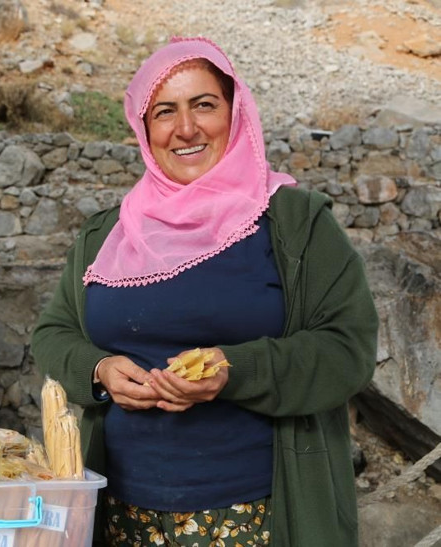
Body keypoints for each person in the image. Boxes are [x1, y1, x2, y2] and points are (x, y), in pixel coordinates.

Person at [31, 36, 378, 547]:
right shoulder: (107, 235)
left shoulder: (294, 223)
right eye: (165, 112)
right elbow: (53, 333)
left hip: (258, 512)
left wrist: (234, 371)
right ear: (144, 130)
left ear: (235, 114)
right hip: (121, 514)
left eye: (204, 105)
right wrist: (98, 371)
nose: (186, 129)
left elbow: (348, 349)